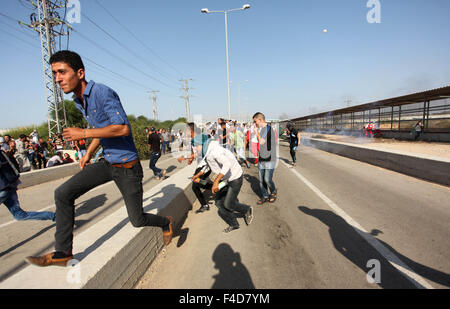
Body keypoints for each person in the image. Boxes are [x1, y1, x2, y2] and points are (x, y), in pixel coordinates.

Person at [25, 50, 173, 267]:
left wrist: (83, 134)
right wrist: (89, 152)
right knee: (63, 193)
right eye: (54, 74)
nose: (57, 79)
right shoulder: (79, 100)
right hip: (107, 162)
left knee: (137, 220)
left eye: (62, 72)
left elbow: (122, 128)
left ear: (80, 72)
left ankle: (166, 222)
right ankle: (62, 252)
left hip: (127, 167)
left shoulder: (102, 93)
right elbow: (100, 128)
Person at [194, 139, 253, 233]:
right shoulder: (207, 151)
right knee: (218, 203)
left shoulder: (215, 152)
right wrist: (198, 175)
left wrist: (216, 181)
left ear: (202, 144)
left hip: (235, 178)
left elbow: (227, 164)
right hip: (225, 179)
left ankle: (246, 209)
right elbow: (208, 165)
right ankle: (234, 224)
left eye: (196, 146)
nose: (195, 148)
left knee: (228, 204)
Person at [1, 150, 55, 222]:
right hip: (8, 187)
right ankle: (55, 216)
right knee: (19, 215)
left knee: (19, 215)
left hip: (4, 189)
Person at [178, 122, 212, 214]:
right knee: (198, 183)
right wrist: (191, 158)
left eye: (186, 130)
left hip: (204, 165)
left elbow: (200, 153)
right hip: (204, 164)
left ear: (190, 130)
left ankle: (220, 187)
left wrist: (186, 157)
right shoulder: (199, 137)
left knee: (195, 184)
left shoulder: (197, 138)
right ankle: (219, 187)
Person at [253, 112, 278, 205]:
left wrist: (256, 132)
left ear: (260, 120)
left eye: (255, 121)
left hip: (270, 158)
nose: (255, 123)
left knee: (267, 179)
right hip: (262, 158)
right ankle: (265, 195)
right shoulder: (262, 130)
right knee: (261, 179)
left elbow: (262, 142)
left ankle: (273, 191)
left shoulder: (267, 129)